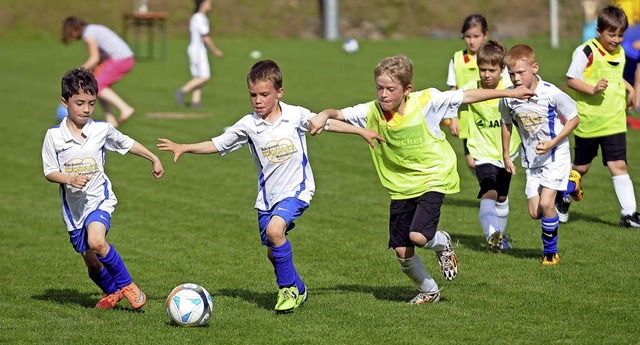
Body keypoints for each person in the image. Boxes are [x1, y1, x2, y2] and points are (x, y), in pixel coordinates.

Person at [309, 55, 535, 304]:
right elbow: (337, 114)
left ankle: (443, 243)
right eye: (379, 87)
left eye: (390, 89)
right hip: (401, 185)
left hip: (433, 176)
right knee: (403, 252)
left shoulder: (428, 101)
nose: (383, 94)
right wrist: (323, 115)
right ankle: (429, 290)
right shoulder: (371, 111)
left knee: (418, 236)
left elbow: (467, 96)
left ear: (407, 90)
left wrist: (509, 94)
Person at [158, 60, 376, 314]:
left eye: (264, 94)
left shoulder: (295, 115)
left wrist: (361, 132)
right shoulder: (248, 125)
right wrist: (184, 147)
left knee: (275, 231)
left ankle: (287, 290)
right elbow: (217, 144)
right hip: (267, 198)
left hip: (298, 190)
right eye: (253, 95)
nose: (258, 100)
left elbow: (326, 124)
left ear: (279, 92)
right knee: (274, 252)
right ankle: (300, 288)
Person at [42, 68, 165, 309]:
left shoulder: (101, 130)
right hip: (74, 210)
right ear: (65, 102)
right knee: (91, 261)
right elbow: (49, 172)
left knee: (97, 242)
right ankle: (112, 291)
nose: (86, 109)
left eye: (91, 103)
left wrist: (153, 157)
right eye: (79, 103)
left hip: (99, 199)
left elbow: (127, 143)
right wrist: (68, 179)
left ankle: (127, 284)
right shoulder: (54, 137)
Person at [500, 44, 581, 266]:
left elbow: (574, 118)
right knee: (535, 212)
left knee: (547, 204)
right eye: (511, 74)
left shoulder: (550, 92)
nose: (516, 78)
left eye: (521, 72)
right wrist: (506, 155)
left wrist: (553, 142)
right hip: (532, 161)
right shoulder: (508, 97)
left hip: (556, 155)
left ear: (534, 67)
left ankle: (550, 253)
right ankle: (570, 185)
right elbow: (506, 124)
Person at [564, 5, 640, 228]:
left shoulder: (620, 52)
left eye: (620, 35)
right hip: (590, 121)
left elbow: (615, 76)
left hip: (614, 121)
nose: (616, 40)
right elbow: (571, 80)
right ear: (599, 31)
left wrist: (631, 89)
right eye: (611, 34)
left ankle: (629, 214)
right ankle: (563, 200)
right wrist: (592, 89)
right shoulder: (586, 52)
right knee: (581, 168)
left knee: (619, 165)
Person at [463, 40, 520, 252]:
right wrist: (452, 119)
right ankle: (492, 235)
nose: (486, 75)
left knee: (502, 197)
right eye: (482, 69)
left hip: (507, 152)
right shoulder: (470, 89)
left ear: (502, 69)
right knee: (490, 191)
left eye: (491, 70)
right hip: (482, 152)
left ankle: (499, 239)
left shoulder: (511, 89)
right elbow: (450, 101)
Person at [62, 16, 135, 128]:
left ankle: (125, 108)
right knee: (94, 85)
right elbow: (99, 58)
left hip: (121, 59)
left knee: (98, 85)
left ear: (74, 29)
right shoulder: (91, 29)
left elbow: (94, 58)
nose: (71, 36)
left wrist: (77, 73)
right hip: (123, 58)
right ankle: (110, 119)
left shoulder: (88, 34)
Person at [445, 14, 490, 171]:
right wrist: (453, 118)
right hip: (467, 119)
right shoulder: (457, 59)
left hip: (490, 117)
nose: (472, 41)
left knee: (492, 159)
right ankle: (490, 188)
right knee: (472, 162)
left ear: (486, 35)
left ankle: (496, 191)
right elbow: (453, 91)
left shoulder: (493, 58)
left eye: (476, 36)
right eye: (467, 36)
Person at [175, 0, 224, 109]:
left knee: (197, 76)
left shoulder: (199, 17)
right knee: (204, 76)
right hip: (198, 50)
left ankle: (195, 102)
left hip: (196, 49)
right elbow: (205, 36)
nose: (210, 5)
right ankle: (182, 91)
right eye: (208, 3)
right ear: (202, 4)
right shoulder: (199, 18)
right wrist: (216, 51)